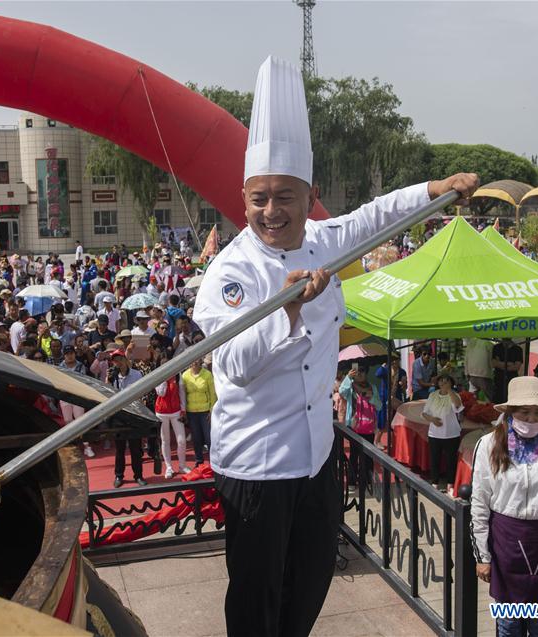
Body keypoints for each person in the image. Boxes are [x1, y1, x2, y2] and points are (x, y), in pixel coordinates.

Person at [193, 56, 479, 637]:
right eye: (259, 198)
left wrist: (435, 189)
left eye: (284, 197)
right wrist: (286, 309)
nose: (270, 212)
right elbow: (234, 365)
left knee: (314, 574)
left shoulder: (325, 240)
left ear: (309, 195)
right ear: (244, 198)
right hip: (255, 464)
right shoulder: (231, 270)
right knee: (256, 596)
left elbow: (378, 216)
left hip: (316, 454)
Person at [471, 376, 538, 637]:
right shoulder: (488, 445)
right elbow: (479, 502)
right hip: (506, 540)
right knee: (509, 622)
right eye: (524, 412)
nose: (531, 419)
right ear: (510, 412)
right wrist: (482, 557)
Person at [108, 349, 147, 488]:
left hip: (134, 415)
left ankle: (138, 475)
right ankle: (119, 475)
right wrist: (108, 381)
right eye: (115, 360)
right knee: (119, 449)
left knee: (136, 449)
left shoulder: (137, 374)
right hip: (119, 416)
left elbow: (142, 392)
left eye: (119, 359)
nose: (117, 362)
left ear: (125, 359)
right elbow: (107, 395)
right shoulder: (112, 376)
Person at [421, 373, 463, 492]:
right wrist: (432, 419)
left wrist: (449, 391)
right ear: (438, 382)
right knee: (434, 459)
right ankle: (435, 483)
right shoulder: (432, 395)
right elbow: (424, 413)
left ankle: (450, 484)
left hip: (451, 433)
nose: (443, 383)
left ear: (451, 383)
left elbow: (458, 406)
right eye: (441, 381)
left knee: (451, 460)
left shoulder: (455, 395)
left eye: (446, 381)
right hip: (434, 434)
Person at [154, 351, 190, 478]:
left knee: (181, 441)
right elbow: (161, 393)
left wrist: (183, 409)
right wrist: (164, 378)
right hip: (161, 412)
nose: (166, 366)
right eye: (163, 364)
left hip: (176, 411)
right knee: (165, 440)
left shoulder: (178, 374)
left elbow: (182, 393)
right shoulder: (157, 376)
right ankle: (169, 467)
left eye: (168, 364)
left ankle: (182, 465)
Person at [181, 357, 216, 468]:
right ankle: (199, 460)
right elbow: (183, 395)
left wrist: (212, 411)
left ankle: (213, 461)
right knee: (196, 438)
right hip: (191, 411)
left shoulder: (207, 374)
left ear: (201, 361)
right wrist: (184, 411)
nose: (194, 362)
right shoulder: (185, 375)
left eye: (197, 360)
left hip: (205, 411)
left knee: (209, 438)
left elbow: (213, 394)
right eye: (192, 360)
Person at [492, 338, 523, 405]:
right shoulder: (496, 347)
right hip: (498, 380)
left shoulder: (517, 349)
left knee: (510, 401)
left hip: (512, 380)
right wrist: (510, 364)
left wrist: (500, 363)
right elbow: (494, 363)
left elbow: (516, 367)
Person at [464, 337, 495, 402]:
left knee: (473, 398)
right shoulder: (489, 344)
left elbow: (466, 359)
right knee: (488, 397)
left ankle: (474, 410)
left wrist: (466, 373)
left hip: (471, 375)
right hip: (484, 375)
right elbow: (491, 362)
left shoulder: (470, 343)